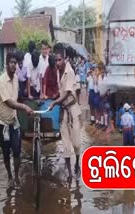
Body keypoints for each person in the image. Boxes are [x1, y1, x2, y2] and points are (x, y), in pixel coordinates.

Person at [0, 52, 34, 188]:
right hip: (2, 122)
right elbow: (9, 102)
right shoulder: (1, 81)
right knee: (6, 152)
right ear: (6, 64)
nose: (13, 65)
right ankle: (9, 176)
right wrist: (24, 107)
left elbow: (16, 98)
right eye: (11, 62)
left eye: (15, 63)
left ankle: (16, 176)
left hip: (14, 121)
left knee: (17, 150)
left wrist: (27, 105)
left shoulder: (17, 79)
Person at [49, 45, 82, 179]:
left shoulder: (70, 71)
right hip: (63, 111)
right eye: (56, 60)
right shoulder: (58, 72)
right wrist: (53, 97)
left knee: (77, 144)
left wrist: (55, 102)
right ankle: (69, 172)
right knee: (66, 145)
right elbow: (61, 91)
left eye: (59, 60)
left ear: (65, 59)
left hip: (73, 110)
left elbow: (67, 92)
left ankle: (77, 164)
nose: (57, 63)